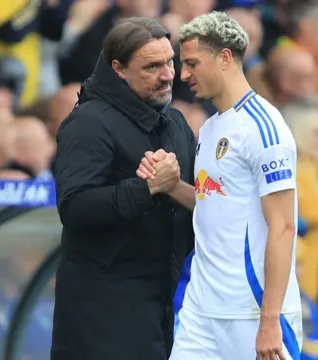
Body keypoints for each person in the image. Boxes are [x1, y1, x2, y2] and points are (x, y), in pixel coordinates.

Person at [138, 11, 301, 360]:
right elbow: (217, 204)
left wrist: (270, 319)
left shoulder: (263, 127)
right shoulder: (211, 128)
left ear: (225, 58)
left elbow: (284, 226)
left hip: (253, 310)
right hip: (202, 307)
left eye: (192, 63)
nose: (183, 75)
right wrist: (172, 186)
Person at [52, 17, 197, 360]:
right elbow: (73, 207)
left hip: (164, 295)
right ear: (118, 69)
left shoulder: (175, 122)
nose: (167, 75)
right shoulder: (89, 122)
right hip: (103, 305)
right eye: (152, 67)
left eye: (170, 62)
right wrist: (145, 189)